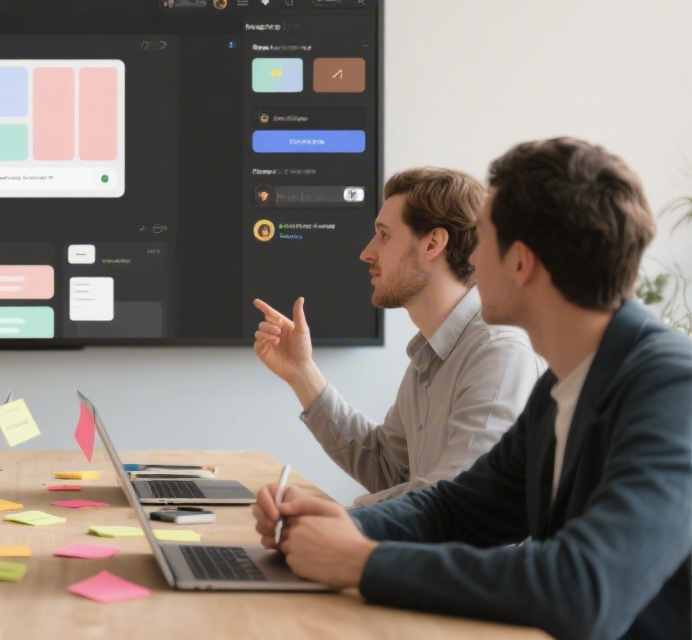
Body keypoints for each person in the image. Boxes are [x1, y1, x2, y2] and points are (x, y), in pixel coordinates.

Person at [253, 138, 691, 639]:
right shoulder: (563, 384)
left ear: (521, 264)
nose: (472, 262)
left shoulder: (672, 387)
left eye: (482, 240)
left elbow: (584, 586)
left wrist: (364, 562)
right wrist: (343, 527)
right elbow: (456, 509)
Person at [254, 168, 543, 505]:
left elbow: (459, 501)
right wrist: (301, 372)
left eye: (384, 235)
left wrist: (337, 519)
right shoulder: (432, 354)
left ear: (433, 243)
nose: (367, 252)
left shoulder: (499, 354)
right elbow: (386, 466)